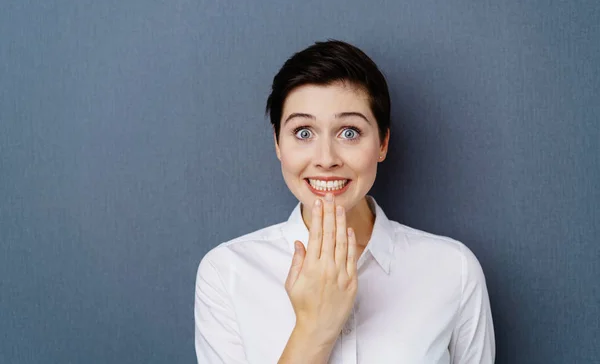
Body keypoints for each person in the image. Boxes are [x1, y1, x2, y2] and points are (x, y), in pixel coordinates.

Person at [194, 40, 495, 363]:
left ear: (382, 143)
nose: (326, 159)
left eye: (349, 132)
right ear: (278, 143)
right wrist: (313, 328)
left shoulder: (453, 270)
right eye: (303, 132)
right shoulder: (227, 273)